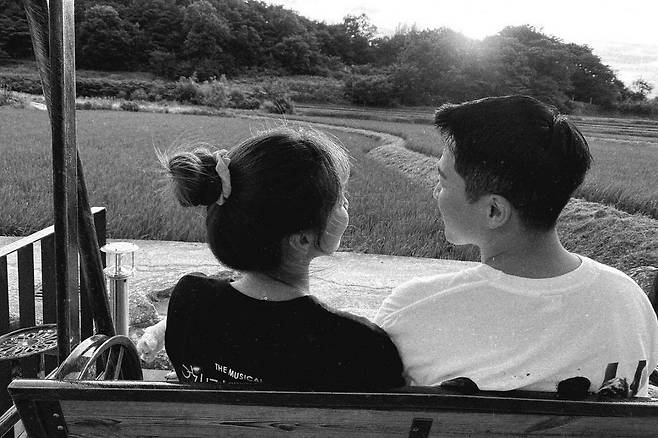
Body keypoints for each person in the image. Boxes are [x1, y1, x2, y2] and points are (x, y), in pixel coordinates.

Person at [374, 95, 658, 396]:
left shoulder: (415, 306)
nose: (436, 192)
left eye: (443, 182)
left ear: (494, 210)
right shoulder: (628, 301)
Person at [139, 127, 404, 391]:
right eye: (338, 200)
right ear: (301, 239)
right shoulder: (359, 346)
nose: (345, 205)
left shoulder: (190, 301)